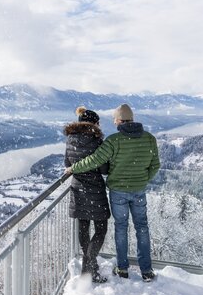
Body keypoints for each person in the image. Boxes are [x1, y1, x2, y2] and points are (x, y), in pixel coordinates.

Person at [65, 103, 160, 282]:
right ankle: (146, 270)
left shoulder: (114, 140)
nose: (113, 122)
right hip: (138, 191)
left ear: (119, 120)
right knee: (142, 227)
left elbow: (95, 160)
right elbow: (155, 165)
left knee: (121, 228)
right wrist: (142, 179)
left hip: (117, 191)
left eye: (115, 119)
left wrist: (73, 168)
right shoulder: (149, 138)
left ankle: (122, 268)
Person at [64, 107, 111, 284]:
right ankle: (88, 268)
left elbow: (67, 163)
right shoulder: (97, 141)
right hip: (95, 190)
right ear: (94, 123)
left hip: (78, 189)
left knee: (83, 229)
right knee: (101, 229)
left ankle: (90, 267)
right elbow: (104, 168)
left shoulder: (70, 139)